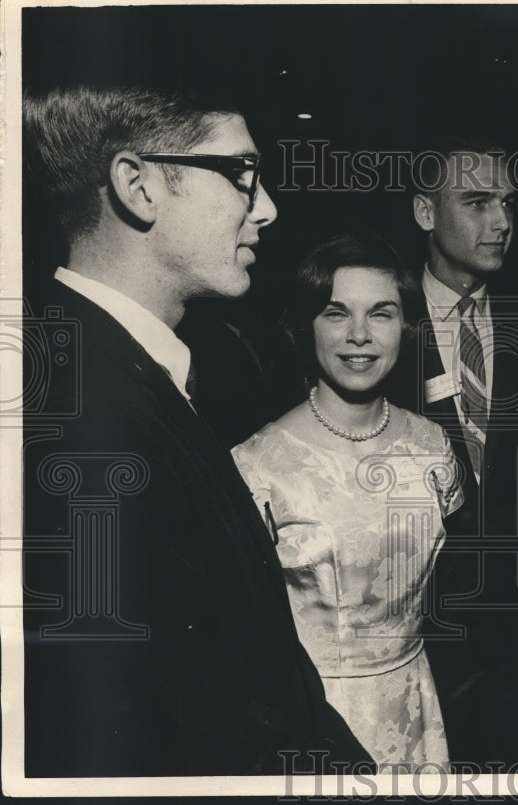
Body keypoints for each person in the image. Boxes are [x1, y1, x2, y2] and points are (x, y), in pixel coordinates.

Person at [20, 85, 370, 775]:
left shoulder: (108, 367)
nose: (265, 206)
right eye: (241, 172)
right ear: (138, 186)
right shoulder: (85, 418)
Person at [232, 234, 462, 771]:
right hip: (311, 720)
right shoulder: (257, 463)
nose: (359, 335)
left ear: (404, 324)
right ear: (306, 324)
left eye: (380, 314)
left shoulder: (433, 445)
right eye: (336, 313)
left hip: (416, 704)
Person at [390, 139, 518, 766]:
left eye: (507, 204)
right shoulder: (381, 323)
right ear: (426, 214)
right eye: (477, 203)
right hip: (416, 634)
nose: (501, 222)